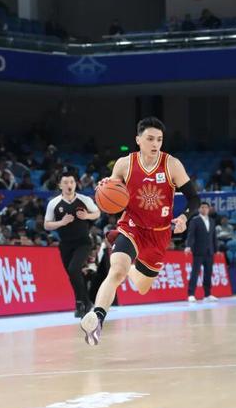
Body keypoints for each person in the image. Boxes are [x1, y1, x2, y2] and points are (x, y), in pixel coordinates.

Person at [80, 117, 199, 345]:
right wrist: (104, 188)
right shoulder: (124, 164)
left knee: (143, 287)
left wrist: (184, 217)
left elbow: (194, 199)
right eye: (150, 139)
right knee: (116, 271)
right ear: (138, 140)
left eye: (159, 139)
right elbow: (111, 192)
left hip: (159, 233)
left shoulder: (172, 164)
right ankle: (97, 319)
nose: (155, 144)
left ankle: (131, 269)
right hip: (132, 226)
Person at [45, 170, 101, 318]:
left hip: (83, 242)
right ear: (60, 185)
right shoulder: (53, 203)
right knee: (72, 274)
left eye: (71, 182)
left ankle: (80, 303)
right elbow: (47, 224)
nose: (69, 185)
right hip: (65, 244)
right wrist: (61, 222)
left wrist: (87, 215)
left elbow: (97, 213)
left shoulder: (84, 199)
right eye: (65, 182)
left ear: (75, 184)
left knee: (74, 269)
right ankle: (85, 302)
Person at [185, 202, 218, 302]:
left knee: (208, 273)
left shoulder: (212, 221)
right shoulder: (195, 220)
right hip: (198, 251)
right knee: (195, 273)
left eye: (206, 207)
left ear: (209, 209)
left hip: (209, 251)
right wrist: (188, 246)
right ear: (199, 209)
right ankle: (191, 294)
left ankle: (207, 294)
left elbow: (214, 237)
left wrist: (216, 250)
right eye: (202, 207)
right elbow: (191, 235)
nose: (204, 209)